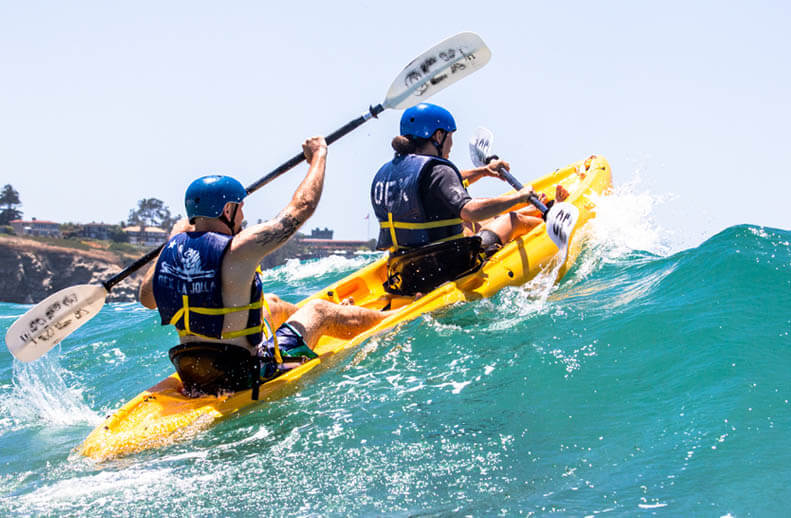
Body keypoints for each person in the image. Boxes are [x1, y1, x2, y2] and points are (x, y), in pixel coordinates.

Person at [139, 137, 392, 398]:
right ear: (227, 210)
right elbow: (302, 207)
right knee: (319, 310)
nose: (243, 217)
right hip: (245, 375)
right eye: (240, 209)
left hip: (196, 372)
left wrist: (171, 241)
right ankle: (389, 320)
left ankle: (331, 317)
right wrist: (318, 155)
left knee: (270, 303)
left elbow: (146, 299)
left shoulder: (171, 251)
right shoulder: (238, 248)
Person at [371, 103, 568, 295]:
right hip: (450, 266)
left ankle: (535, 210)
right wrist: (519, 197)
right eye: (450, 136)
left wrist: (484, 171)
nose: (451, 144)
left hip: (407, 272)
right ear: (438, 136)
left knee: (475, 218)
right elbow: (470, 210)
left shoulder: (388, 173)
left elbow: (439, 186)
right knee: (512, 220)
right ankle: (548, 221)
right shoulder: (438, 170)